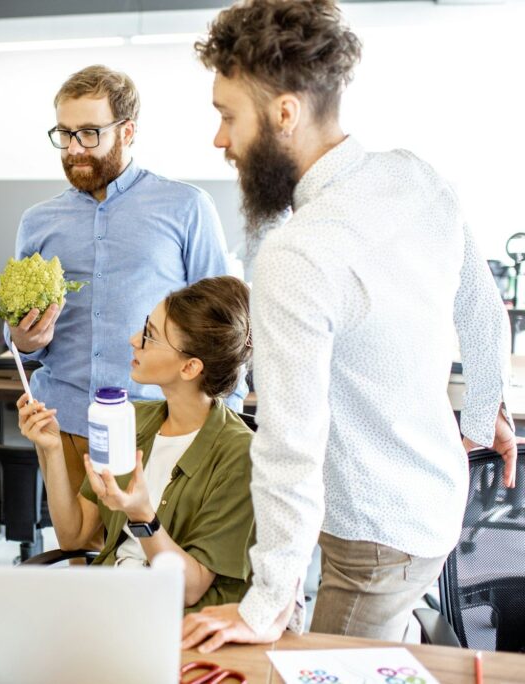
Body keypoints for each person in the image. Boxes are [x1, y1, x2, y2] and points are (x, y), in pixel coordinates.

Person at [181, 0, 515, 652]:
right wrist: (480, 418)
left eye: (227, 116)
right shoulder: (414, 176)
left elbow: (289, 448)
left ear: (284, 112)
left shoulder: (300, 252)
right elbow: (482, 309)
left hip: (370, 539)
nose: (219, 140)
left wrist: (265, 604)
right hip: (435, 502)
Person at [7, 65, 241, 513]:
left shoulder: (186, 208)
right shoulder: (38, 222)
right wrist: (21, 339)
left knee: (156, 566)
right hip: (64, 423)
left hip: (156, 425)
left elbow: (225, 324)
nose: (74, 148)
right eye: (65, 133)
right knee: (82, 562)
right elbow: (21, 333)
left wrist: (221, 421)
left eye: (90, 133)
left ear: (127, 131)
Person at [18, 276, 255, 611]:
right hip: (109, 602)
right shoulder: (132, 420)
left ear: (190, 367)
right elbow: (75, 536)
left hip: (169, 622)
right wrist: (52, 449)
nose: (133, 340)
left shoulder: (239, 454)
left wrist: (142, 515)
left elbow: (190, 590)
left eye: (150, 337)